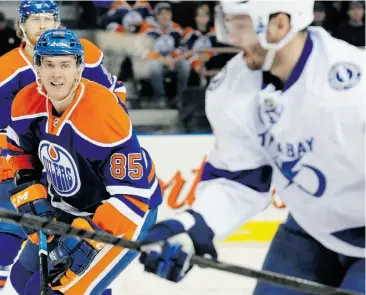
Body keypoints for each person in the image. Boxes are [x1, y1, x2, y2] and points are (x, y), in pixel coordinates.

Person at [138, 1, 365, 294]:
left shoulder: (353, 90)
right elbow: (239, 179)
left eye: (241, 25)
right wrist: (194, 225)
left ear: (280, 25)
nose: (231, 38)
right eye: (228, 23)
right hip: (312, 227)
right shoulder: (235, 87)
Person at [0, 1, 126, 294]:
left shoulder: (83, 55)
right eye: (34, 19)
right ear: (20, 25)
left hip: (71, 174)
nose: (42, 25)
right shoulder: (0, 71)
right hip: (25, 169)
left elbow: (113, 96)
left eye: (48, 19)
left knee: (73, 261)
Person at [6, 28, 161, 295]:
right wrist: (31, 193)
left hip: (124, 216)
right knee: (22, 278)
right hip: (71, 205)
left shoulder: (103, 114)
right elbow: (21, 152)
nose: (57, 74)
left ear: (79, 69)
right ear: (37, 68)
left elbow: (132, 198)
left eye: (65, 65)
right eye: (49, 64)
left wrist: (88, 242)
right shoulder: (25, 103)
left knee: (47, 291)